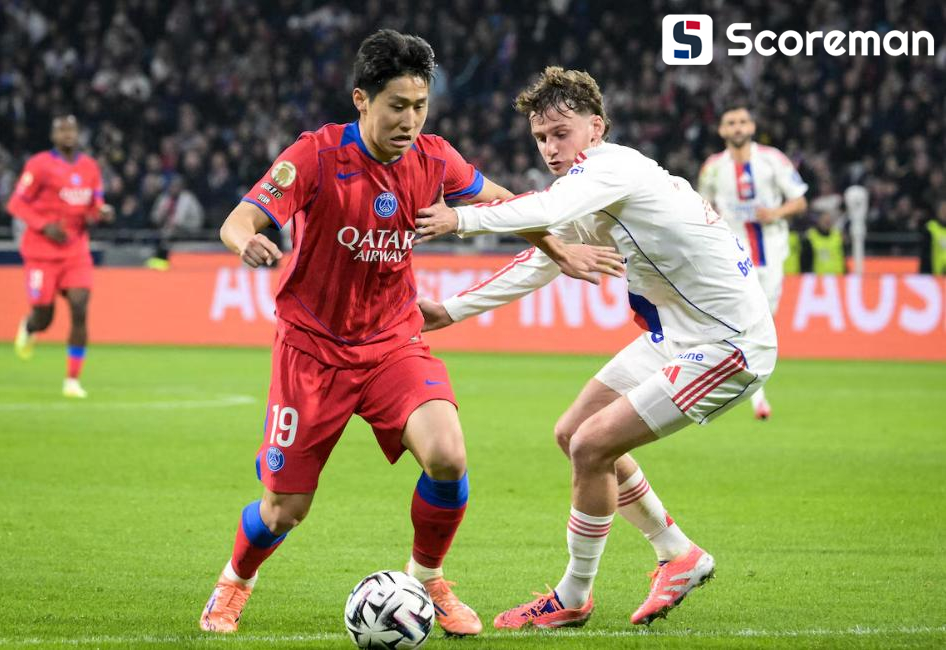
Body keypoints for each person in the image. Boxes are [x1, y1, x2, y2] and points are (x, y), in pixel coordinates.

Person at [198, 32, 617, 637]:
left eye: (420, 106)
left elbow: (504, 203)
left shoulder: (435, 158)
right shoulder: (316, 154)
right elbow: (238, 219)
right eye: (397, 105)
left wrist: (560, 251)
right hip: (312, 351)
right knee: (285, 509)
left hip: (393, 340)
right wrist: (249, 242)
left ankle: (426, 579)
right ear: (362, 100)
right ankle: (235, 581)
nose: (410, 120)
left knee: (447, 456)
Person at [415, 66, 777, 630]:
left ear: (596, 127)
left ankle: (573, 595)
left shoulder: (614, 169)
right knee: (572, 434)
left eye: (561, 133)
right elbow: (544, 256)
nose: (550, 147)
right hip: (675, 335)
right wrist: (453, 309)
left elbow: (546, 212)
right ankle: (677, 554)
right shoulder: (594, 190)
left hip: (728, 343)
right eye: (540, 138)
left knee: (590, 446)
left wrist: (459, 217)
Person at [697, 104, 806, 420]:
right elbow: (702, 205)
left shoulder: (773, 160)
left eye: (743, 121)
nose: (738, 127)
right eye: (731, 123)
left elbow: (799, 200)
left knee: (764, 318)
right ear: (722, 130)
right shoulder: (713, 168)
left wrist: (775, 213)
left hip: (771, 249)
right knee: (745, 316)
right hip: (733, 251)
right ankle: (756, 394)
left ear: (752, 127)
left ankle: (747, 382)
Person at [7, 115, 114, 398]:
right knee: (45, 316)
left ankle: (72, 380)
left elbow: (94, 203)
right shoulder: (39, 165)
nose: (68, 134)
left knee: (80, 308)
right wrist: (44, 225)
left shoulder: (89, 167)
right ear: (53, 135)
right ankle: (29, 326)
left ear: (78, 134)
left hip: (75, 250)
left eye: (72, 129)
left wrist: (101, 212)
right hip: (41, 253)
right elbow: (16, 203)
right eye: (61, 129)